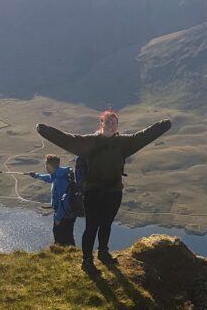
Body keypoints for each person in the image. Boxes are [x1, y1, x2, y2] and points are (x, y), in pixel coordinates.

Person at [36, 110, 171, 268]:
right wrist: (45, 130)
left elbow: (143, 136)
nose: (110, 125)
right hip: (93, 192)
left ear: (117, 125)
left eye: (113, 122)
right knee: (92, 226)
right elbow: (68, 140)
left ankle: (103, 252)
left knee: (106, 224)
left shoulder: (123, 142)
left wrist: (163, 126)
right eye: (107, 122)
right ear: (101, 123)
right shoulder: (90, 142)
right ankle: (87, 260)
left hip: (114, 191)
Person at [29, 155, 76, 246]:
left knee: (61, 239)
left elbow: (64, 201)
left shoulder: (60, 180)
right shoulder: (59, 174)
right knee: (68, 237)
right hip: (68, 213)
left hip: (65, 215)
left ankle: (61, 253)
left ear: (50, 166)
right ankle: (71, 252)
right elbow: (50, 178)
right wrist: (35, 175)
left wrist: (58, 218)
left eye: (46, 165)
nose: (45, 167)